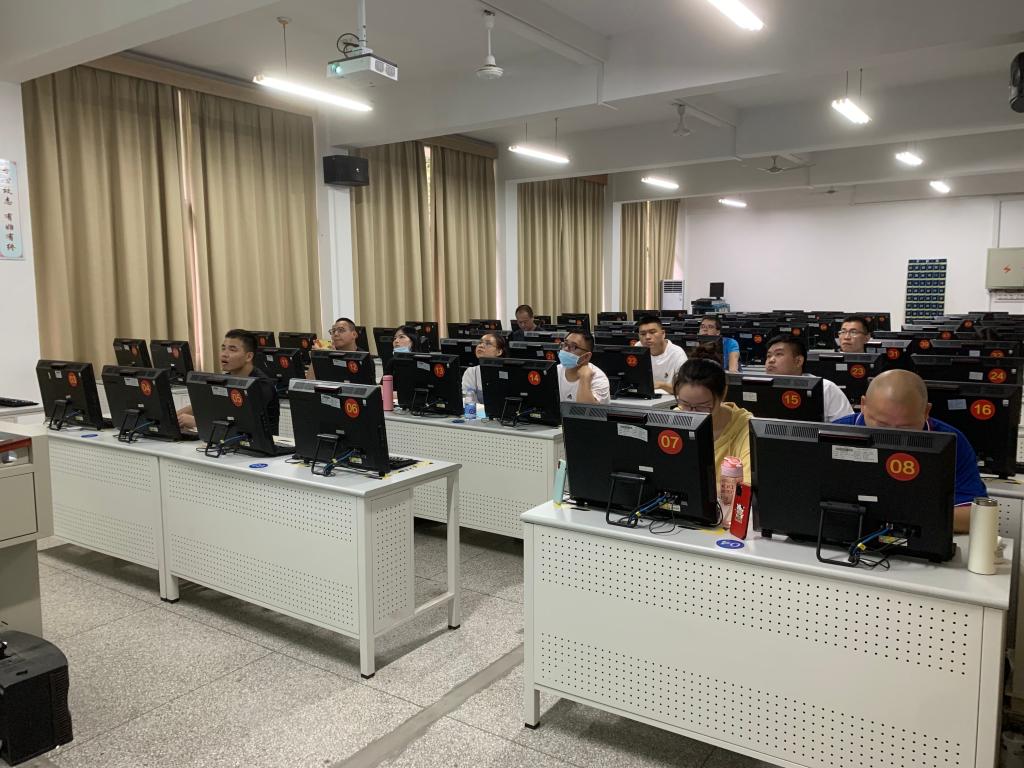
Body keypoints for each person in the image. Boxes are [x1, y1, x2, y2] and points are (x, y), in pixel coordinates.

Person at [832, 369, 986, 533]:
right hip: (844, 533)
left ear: (926, 412)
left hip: (919, 536)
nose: (891, 437)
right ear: (863, 405)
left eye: (905, 428)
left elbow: (977, 517)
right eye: (882, 425)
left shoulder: (950, 442)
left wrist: (905, 516)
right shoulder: (834, 434)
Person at [176, 329, 280, 434]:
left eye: (232, 350)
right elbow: (203, 404)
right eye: (223, 348)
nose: (224, 354)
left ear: (248, 357)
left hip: (260, 441)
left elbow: (242, 421)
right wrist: (175, 418)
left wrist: (197, 422)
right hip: (229, 439)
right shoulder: (226, 379)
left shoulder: (262, 384)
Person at [672, 358, 751, 483]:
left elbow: (748, 486)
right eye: (685, 404)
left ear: (723, 394)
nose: (692, 414)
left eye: (703, 406)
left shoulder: (746, 428)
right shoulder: (674, 420)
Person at [764, 333, 853, 422]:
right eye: (768, 356)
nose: (771, 360)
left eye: (779, 354)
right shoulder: (760, 387)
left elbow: (847, 427)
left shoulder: (826, 388)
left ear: (798, 361)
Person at [636, 314, 687, 395]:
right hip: (643, 396)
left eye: (652, 332)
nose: (647, 337)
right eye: (643, 334)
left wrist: (661, 385)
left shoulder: (677, 353)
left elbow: (685, 389)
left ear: (663, 334)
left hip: (669, 399)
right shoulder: (638, 348)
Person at [557, 330, 610, 404]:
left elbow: (588, 410)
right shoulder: (555, 371)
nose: (565, 349)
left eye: (573, 346)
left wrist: (584, 378)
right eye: (565, 344)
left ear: (586, 356)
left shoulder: (599, 379)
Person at [462, 332, 507, 404]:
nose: (481, 345)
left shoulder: (506, 372)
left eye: (488, 344)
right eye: (480, 343)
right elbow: (467, 400)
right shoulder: (471, 371)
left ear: (499, 352)